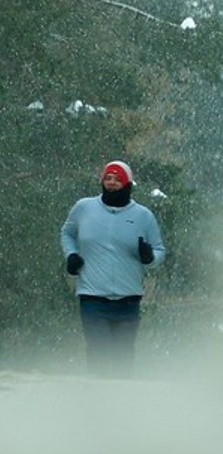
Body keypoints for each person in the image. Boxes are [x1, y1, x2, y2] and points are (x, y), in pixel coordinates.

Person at [60, 160, 166, 376]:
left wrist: (149, 257)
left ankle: (123, 402)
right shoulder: (84, 208)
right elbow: (67, 233)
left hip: (129, 299)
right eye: (107, 178)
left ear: (127, 184)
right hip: (92, 296)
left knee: (123, 355)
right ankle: (97, 399)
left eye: (117, 179)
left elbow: (159, 250)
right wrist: (71, 255)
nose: (111, 183)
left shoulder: (143, 216)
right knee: (98, 350)